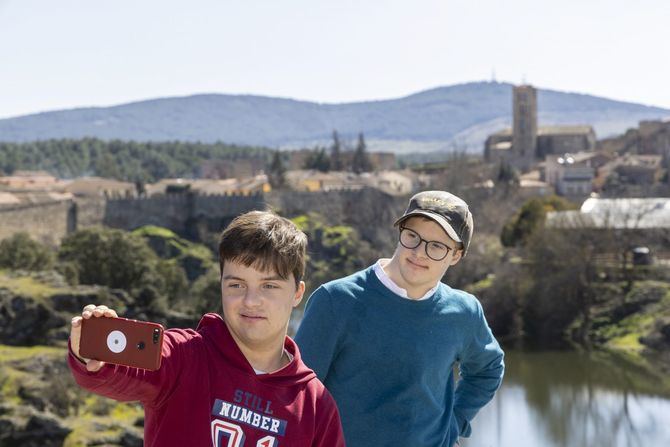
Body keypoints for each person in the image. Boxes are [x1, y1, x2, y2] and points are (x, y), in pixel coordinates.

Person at [68, 211, 345, 447]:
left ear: (297, 293)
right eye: (236, 285)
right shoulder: (184, 357)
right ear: (221, 283)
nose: (250, 301)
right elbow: (116, 372)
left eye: (269, 286)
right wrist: (92, 357)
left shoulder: (315, 406)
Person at [295, 190, 504, 447]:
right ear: (400, 232)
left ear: (456, 255)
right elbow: (297, 395)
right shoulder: (336, 300)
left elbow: (488, 369)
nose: (419, 252)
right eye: (412, 237)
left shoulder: (463, 312)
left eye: (437, 246)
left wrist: (455, 422)